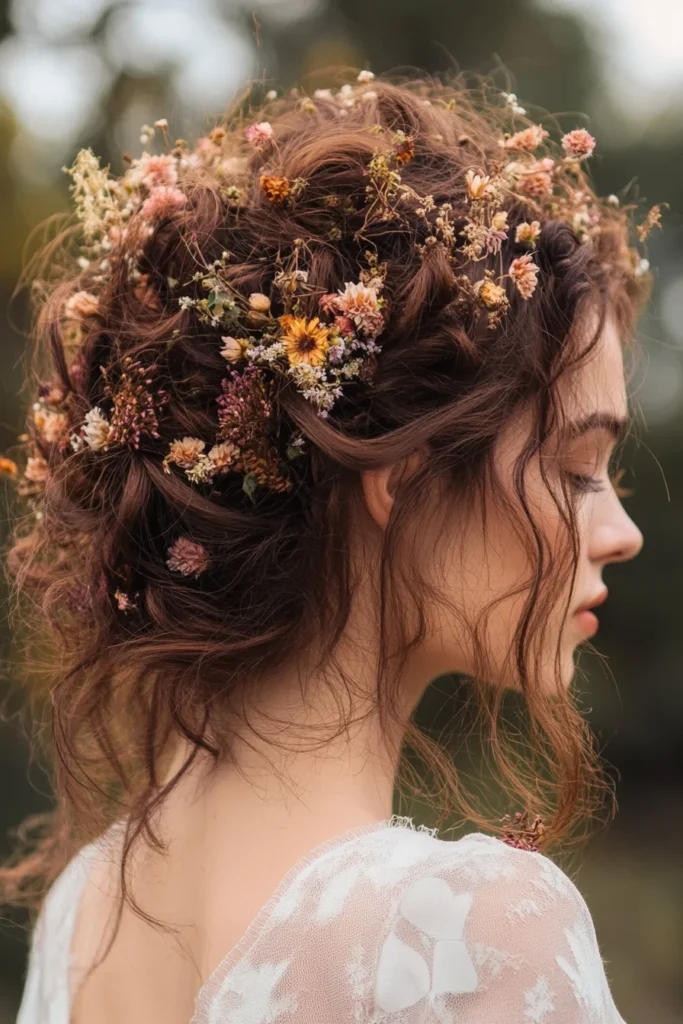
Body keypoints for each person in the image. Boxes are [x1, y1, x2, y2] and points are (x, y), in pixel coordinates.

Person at [0, 70, 655, 1023]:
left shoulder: (84, 913)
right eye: (573, 467)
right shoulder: (466, 942)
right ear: (405, 475)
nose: (621, 533)